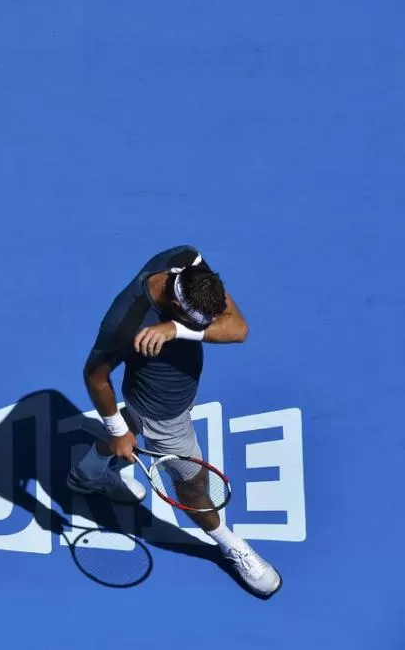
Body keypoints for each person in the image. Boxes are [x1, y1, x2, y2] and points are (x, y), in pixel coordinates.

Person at [68, 244, 282, 596]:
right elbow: (94, 376)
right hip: (163, 408)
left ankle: (87, 472)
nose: (208, 327)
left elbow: (238, 328)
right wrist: (116, 430)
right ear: (179, 304)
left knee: (133, 425)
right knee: (192, 482)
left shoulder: (188, 261)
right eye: (198, 322)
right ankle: (228, 544)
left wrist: (177, 330)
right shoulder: (125, 323)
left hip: (169, 388)